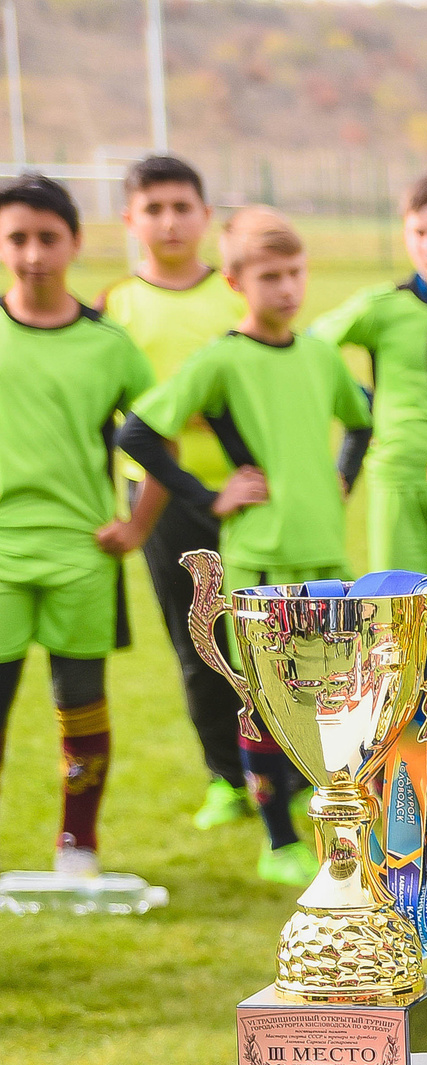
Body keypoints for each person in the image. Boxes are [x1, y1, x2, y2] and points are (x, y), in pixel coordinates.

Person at [121, 207, 371, 886]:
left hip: (324, 556)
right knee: (263, 705)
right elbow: (138, 432)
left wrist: (340, 478)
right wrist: (208, 497)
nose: (286, 288)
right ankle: (278, 841)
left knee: (336, 706)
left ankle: (337, 830)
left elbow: (360, 418)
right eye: (269, 276)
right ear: (236, 281)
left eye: (294, 273)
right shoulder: (222, 359)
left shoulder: (320, 353)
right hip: (260, 560)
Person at [0, 174, 161, 880]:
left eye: (46, 238)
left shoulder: (110, 345)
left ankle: (78, 846)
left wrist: (135, 526)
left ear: (75, 243)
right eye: (17, 238)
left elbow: (161, 443)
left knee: (82, 706)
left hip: (81, 556)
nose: (32, 253)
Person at [97, 155, 249, 832]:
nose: (169, 221)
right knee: (198, 644)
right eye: (152, 209)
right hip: (159, 502)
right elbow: (108, 414)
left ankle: (290, 770)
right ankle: (226, 777)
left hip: (245, 492)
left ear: (205, 216)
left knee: (267, 637)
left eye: (181, 207)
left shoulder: (236, 298)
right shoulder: (116, 306)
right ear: (130, 220)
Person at [313, 172, 427, 575]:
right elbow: (309, 348)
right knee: (403, 619)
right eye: (420, 233)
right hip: (400, 477)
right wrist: (358, 400)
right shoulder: (381, 307)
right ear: (404, 233)